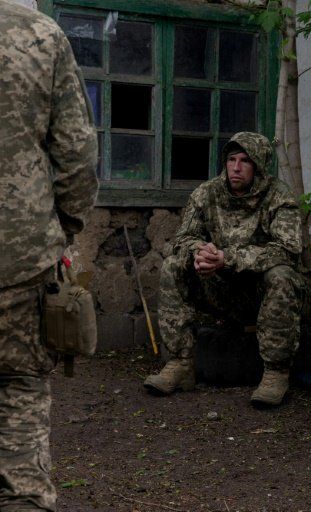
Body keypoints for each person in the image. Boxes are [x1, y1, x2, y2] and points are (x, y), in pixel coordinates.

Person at [0, 1, 99, 510]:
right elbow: (77, 152)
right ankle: (23, 499)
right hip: (20, 254)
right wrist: (63, 228)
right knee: (20, 386)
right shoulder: (42, 36)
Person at [143, 132, 303, 407]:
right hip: (219, 289)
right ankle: (181, 364)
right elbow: (183, 238)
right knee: (173, 265)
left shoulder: (280, 197)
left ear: (259, 166)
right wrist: (200, 253)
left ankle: (276, 373)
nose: (236, 167)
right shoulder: (207, 193)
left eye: (245, 161)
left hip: (258, 295)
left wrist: (227, 257)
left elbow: (287, 250)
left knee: (282, 275)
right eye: (231, 159)